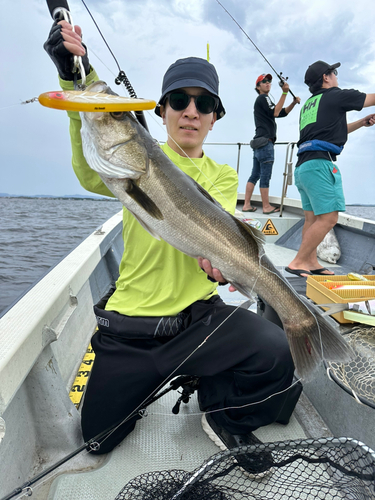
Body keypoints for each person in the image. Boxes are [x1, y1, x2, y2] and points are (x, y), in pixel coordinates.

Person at [44, 20, 300, 474]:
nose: (190, 111)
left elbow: (218, 223)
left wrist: (224, 267)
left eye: (203, 104)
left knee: (277, 351)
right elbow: (90, 164)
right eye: (179, 101)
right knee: (99, 439)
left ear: (216, 116)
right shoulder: (127, 170)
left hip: (198, 320)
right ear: (161, 111)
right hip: (130, 330)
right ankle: (143, 384)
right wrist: (72, 76)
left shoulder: (220, 176)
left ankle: (224, 415)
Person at [286, 60, 375, 278]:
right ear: (326, 77)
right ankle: (299, 262)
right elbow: (370, 99)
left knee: (312, 219)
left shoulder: (310, 104)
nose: (336, 76)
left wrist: (361, 122)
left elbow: (335, 130)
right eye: (333, 72)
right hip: (320, 165)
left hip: (304, 167)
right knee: (329, 218)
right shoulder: (336, 95)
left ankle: (311, 261)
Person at [242, 73, 300, 214]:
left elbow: (281, 113)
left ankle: (246, 205)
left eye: (269, 81)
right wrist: (285, 93)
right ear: (258, 86)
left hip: (258, 143)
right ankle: (266, 207)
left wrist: (292, 103)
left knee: (254, 175)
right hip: (266, 144)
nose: (268, 83)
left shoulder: (264, 100)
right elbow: (275, 113)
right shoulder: (263, 98)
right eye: (264, 81)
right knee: (265, 177)